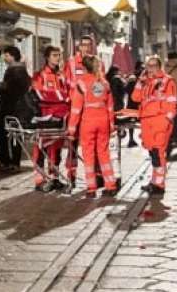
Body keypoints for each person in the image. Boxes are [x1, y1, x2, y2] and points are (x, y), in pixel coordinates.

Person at [68, 55, 117, 198]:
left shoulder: (81, 83)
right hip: (103, 121)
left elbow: (76, 109)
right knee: (104, 153)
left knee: (88, 154)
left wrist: (71, 129)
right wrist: (111, 125)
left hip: (88, 120)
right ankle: (110, 185)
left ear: (84, 67)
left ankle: (91, 187)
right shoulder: (104, 83)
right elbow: (110, 106)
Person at [132, 55, 177, 195]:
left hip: (159, 122)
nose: (150, 68)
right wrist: (140, 81)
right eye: (148, 66)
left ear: (159, 66)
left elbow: (172, 104)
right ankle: (154, 182)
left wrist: (166, 122)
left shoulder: (167, 81)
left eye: (153, 66)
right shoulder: (146, 82)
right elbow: (135, 97)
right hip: (147, 122)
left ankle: (159, 185)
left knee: (158, 154)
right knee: (153, 154)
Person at [63, 36, 103, 185]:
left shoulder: (98, 63)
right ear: (79, 47)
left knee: (94, 145)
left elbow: (101, 85)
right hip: (76, 108)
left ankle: (96, 176)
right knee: (72, 144)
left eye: (89, 45)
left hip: (92, 112)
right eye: (83, 45)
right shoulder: (72, 63)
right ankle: (71, 175)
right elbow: (67, 84)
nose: (86, 48)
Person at [31, 45, 71, 192]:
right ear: (47, 57)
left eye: (59, 55)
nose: (58, 58)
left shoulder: (61, 75)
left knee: (56, 150)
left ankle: (54, 178)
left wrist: (60, 96)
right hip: (44, 117)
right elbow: (39, 94)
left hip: (60, 118)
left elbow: (68, 93)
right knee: (41, 149)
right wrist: (60, 96)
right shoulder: (39, 75)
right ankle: (40, 180)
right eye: (54, 55)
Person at [0, 46, 31, 171]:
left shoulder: (14, 70)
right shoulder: (23, 70)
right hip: (19, 107)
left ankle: (6, 162)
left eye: (6, 55)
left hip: (10, 106)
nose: (4, 58)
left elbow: (8, 88)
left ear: (11, 56)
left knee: (2, 134)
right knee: (15, 134)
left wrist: (0, 86)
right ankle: (15, 162)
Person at [123, 61, 144, 148]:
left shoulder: (132, 78)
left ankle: (131, 139)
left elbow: (125, 90)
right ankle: (145, 139)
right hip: (140, 104)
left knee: (131, 122)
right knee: (144, 121)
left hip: (131, 103)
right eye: (142, 68)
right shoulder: (143, 77)